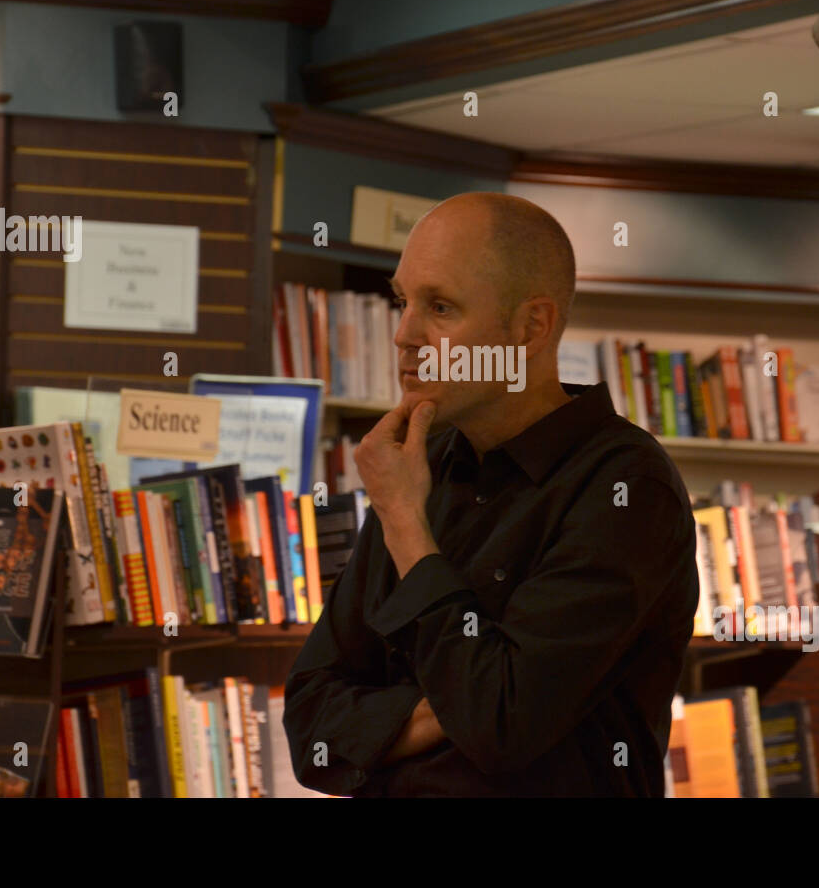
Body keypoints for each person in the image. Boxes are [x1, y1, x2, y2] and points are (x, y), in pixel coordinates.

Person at [282, 191, 698, 796]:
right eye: (403, 301)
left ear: (531, 327)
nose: (404, 335)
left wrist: (404, 523)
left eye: (441, 308)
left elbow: (500, 724)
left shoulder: (627, 487)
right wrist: (447, 711)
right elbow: (310, 731)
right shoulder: (423, 466)